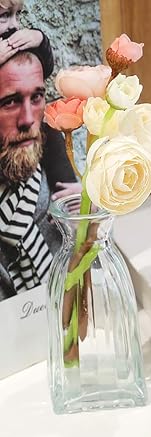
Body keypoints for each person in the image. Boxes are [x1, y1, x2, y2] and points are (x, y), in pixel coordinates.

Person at [0, 45, 76, 300]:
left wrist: (90, 223)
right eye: (9, 102)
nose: (28, 119)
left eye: (37, 97)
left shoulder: (57, 180)